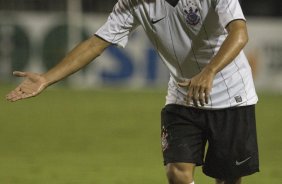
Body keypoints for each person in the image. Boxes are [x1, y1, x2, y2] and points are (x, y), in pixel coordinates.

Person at [6, 0, 259, 184]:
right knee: (177, 173)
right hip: (182, 95)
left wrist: (210, 71)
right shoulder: (132, 3)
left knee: (227, 178)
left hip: (231, 93)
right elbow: (95, 44)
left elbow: (239, 33)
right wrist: (46, 78)